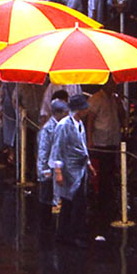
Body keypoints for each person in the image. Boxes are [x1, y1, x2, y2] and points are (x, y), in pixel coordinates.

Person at [50, 93, 96, 247]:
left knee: (74, 202)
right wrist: (58, 171)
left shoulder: (80, 124)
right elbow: (57, 148)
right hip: (69, 170)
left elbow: (82, 147)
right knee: (73, 202)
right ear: (79, 110)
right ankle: (72, 234)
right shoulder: (64, 125)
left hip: (80, 169)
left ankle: (66, 233)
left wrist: (88, 163)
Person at [37, 98, 68, 237]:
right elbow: (43, 152)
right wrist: (44, 171)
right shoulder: (48, 129)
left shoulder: (62, 126)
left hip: (58, 168)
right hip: (48, 170)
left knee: (57, 198)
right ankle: (45, 229)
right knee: (46, 198)